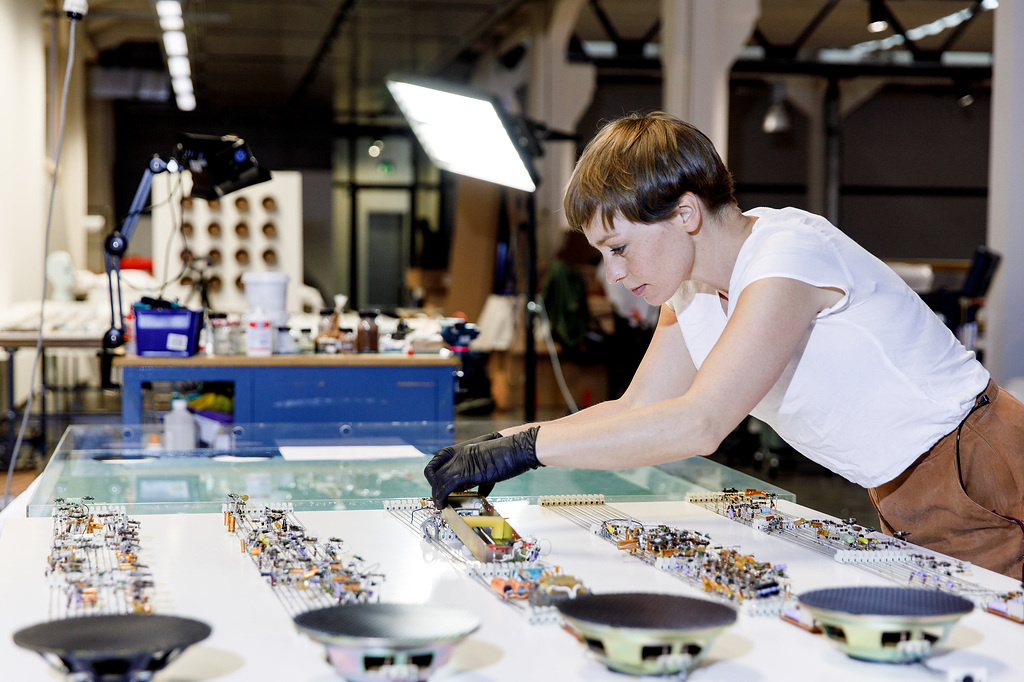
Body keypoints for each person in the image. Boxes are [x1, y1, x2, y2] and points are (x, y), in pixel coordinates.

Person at [425, 112, 1024, 581]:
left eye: (620, 247)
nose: (612, 273)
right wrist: (502, 442)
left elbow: (699, 422)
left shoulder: (785, 255)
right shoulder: (689, 293)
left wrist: (530, 449)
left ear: (684, 212)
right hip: (903, 483)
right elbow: (637, 410)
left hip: (974, 465)